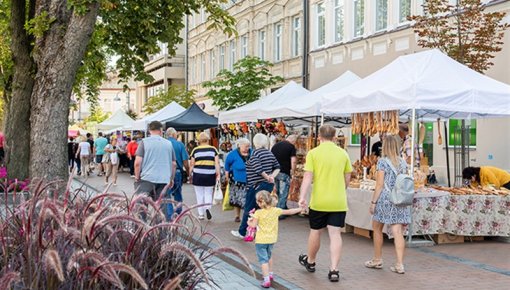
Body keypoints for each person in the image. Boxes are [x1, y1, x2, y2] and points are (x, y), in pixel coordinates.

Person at [298, 125, 352, 283]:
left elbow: (308, 177)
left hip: (319, 201)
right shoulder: (343, 153)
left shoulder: (313, 153)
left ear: (319, 137)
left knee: (315, 232)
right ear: (335, 137)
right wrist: (342, 189)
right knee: (335, 235)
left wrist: (302, 196)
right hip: (338, 201)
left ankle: (311, 261)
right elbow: (347, 176)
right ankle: (334, 269)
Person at [366, 134, 410, 274]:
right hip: (399, 198)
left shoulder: (382, 162)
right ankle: (399, 264)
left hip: (386, 198)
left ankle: (377, 259)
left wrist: (373, 202)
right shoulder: (403, 162)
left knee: (377, 228)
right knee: (398, 231)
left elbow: (379, 185)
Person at [248, 190, 303, 288]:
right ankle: (270, 273)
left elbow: (253, 225)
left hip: (261, 240)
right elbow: (289, 211)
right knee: (269, 256)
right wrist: (300, 209)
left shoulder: (258, 213)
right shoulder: (275, 210)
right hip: (272, 239)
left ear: (260, 202)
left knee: (263, 260)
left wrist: (249, 221)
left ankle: (266, 280)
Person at [231, 133, 280, 239]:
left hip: (256, 186)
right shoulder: (269, 153)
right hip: (268, 186)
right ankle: (261, 230)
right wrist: (272, 177)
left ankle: (242, 232)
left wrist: (267, 177)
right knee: (263, 208)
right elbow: (277, 167)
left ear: (255, 143)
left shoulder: (255, 154)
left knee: (250, 208)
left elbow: (258, 169)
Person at [134, 121, 176, 201]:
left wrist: (137, 177)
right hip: (163, 180)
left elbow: (137, 163)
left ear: (149, 130)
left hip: (146, 179)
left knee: (141, 209)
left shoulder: (144, 142)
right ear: (161, 130)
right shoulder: (168, 144)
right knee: (162, 209)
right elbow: (173, 164)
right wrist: (171, 178)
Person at [190, 132, 220, 220]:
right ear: (208, 140)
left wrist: (190, 174)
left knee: (199, 194)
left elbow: (192, 163)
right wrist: (217, 174)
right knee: (208, 192)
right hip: (210, 174)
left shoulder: (195, 150)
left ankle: (201, 214)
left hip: (198, 174)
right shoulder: (213, 149)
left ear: (199, 140)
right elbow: (217, 163)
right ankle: (207, 208)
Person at [166, 127, 190, 220]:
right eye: (176, 134)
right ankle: (178, 213)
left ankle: (169, 214)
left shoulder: (164, 144)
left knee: (167, 194)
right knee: (178, 193)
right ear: (173, 134)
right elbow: (185, 160)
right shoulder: (180, 145)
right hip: (177, 172)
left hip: (166, 172)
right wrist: (188, 172)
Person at [225, 138, 251, 222]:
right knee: (237, 199)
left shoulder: (252, 152)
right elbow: (227, 166)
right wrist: (227, 176)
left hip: (250, 179)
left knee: (249, 199)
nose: (247, 148)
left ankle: (248, 216)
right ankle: (237, 216)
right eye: (245, 146)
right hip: (236, 180)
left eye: (248, 146)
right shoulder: (232, 154)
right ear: (239, 145)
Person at [271, 135, 297, 213]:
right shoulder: (291, 146)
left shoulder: (275, 146)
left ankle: (281, 207)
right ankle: (280, 212)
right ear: (293, 141)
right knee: (283, 192)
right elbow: (293, 160)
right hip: (284, 171)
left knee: (278, 191)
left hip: (274, 172)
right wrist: (293, 170)